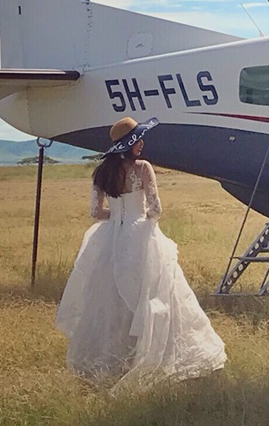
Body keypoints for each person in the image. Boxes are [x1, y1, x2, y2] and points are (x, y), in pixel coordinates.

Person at [56, 116, 227, 391]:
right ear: (131, 144)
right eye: (138, 140)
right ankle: (150, 354)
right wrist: (137, 215)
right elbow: (156, 210)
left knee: (110, 300)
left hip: (111, 235)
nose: (142, 144)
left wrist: (119, 216)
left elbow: (95, 212)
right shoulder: (143, 168)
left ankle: (113, 361)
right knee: (153, 295)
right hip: (141, 236)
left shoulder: (102, 173)